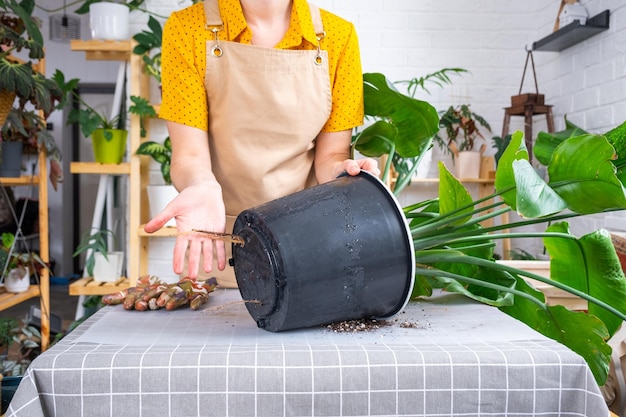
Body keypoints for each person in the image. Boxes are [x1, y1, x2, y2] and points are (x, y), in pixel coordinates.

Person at [145, 0, 379, 288]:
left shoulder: (338, 36)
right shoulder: (188, 29)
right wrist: (200, 185)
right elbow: (189, 154)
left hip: (306, 256)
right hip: (219, 251)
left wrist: (345, 173)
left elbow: (331, 155)